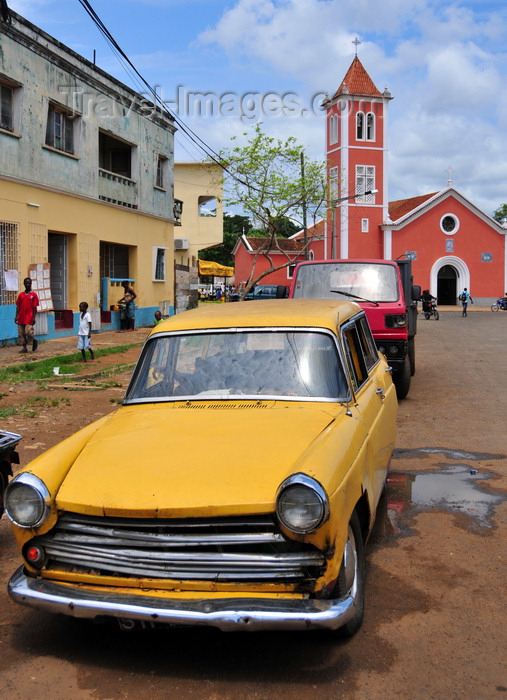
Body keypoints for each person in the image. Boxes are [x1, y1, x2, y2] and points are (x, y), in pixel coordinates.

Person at [15, 276, 39, 353]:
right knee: (21, 333)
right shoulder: (21, 295)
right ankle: (24, 348)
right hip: (21, 317)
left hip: (29, 317)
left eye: (28, 283)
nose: (27, 284)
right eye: (25, 283)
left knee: (28, 332)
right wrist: (16, 316)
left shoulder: (33, 295)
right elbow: (18, 306)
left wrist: (33, 317)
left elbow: (35, 308)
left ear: (31, 284)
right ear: (24, 284)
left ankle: (33, 340)